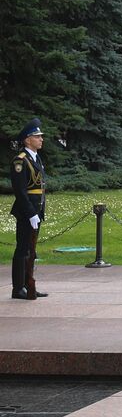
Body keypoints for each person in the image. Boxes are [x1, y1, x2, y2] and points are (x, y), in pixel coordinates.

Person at [9, 118, 47, 300]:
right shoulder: (20, 161)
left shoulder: (36, 158)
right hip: (26, 212)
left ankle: (28, 284)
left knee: (31, 251)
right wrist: (31, 213)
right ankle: (18, 288)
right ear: (27, 140)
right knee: (22, 249)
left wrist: (39, 211)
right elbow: (20, 191)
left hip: (36, 211)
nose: (41, 139)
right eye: (37, 136)